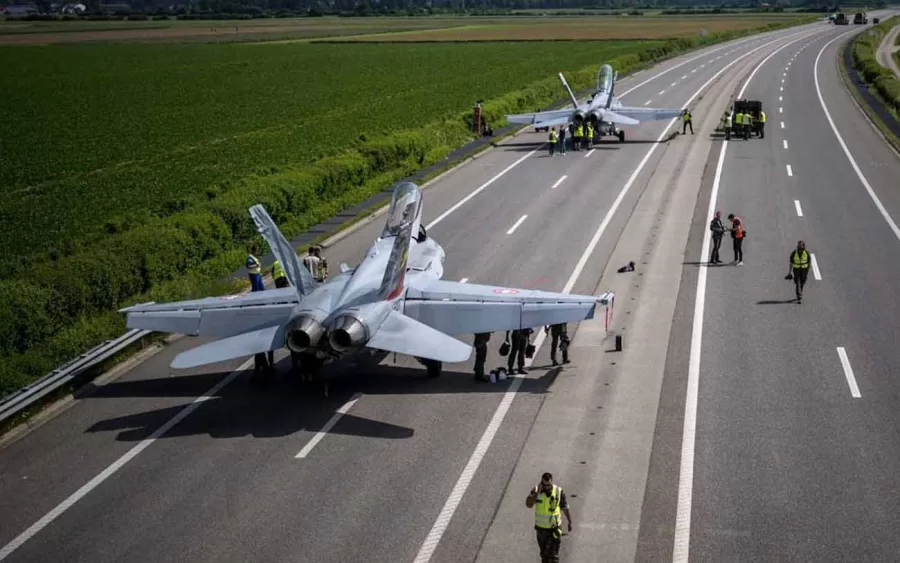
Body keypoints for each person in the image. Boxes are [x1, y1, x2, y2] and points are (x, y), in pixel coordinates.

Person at [526, 472, 572, 563]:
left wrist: (570, 521)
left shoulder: (558, 491)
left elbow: (565, 507)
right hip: (541, 530)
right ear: (541, 483)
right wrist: (536, 493)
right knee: (544, 556)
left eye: (549, 485)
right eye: (545, 485)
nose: (547, 487)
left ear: (552, 482)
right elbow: (528, 504)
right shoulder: (536, 491)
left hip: (554, 529)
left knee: (554, 557)